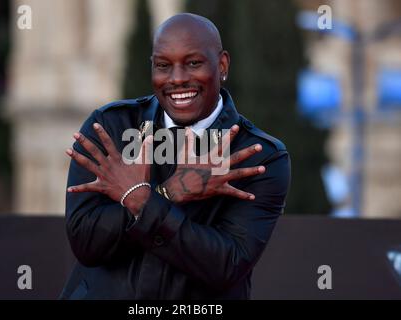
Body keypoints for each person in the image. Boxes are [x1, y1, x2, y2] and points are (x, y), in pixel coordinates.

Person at [60, 13, 290, 300]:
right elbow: (86, 244)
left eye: (193, 63)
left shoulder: (258, 156)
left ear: (222, 65)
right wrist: (169, 193)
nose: (177, 79)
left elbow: (225, 266)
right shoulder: (111, 127)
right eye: (163, 66)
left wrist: (142, 203)